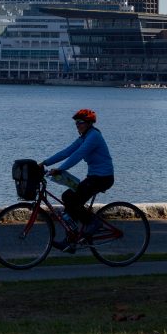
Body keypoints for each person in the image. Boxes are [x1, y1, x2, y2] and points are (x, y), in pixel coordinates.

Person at [41, 108, 114, 252]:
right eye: (76, 123)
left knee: (74, 201)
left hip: (103, 177)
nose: (77, 125)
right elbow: (67, 152)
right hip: (94, 176)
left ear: (88, 123)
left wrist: (60, 169)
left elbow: (78, 155)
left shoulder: (94, 136)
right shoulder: (84, 137)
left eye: (80, 122)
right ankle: (71, 239)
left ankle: (94, 223)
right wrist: (44, 163)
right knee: (67, 196)